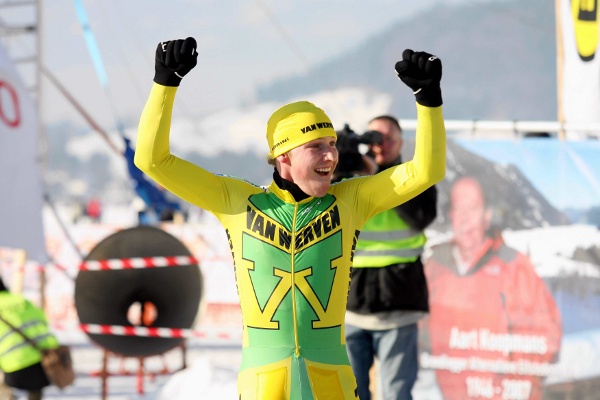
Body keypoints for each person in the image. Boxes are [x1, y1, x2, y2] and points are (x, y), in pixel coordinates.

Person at [135, 37, 446, 399]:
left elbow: (426, 170)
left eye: (332, 145)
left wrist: (428, 100)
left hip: (331, 383)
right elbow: (152, 161)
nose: (331, 156)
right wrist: (165, 84)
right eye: (316, 147)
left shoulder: (352, 201)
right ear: (282, 157)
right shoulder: (238, 202)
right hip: (264, 385)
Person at [422, 176, 562, 400]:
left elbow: (547, 337)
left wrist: (511, 385)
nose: (465, 219)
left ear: (487, 215)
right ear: (451, 215)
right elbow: (418, 332)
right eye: (459, 209)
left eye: (473, 208)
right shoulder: (435, 266)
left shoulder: (514, 266)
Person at [345, 115, 438, 400]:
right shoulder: (350, 176)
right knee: (349, 392)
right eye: (374, 138)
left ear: (401, 143)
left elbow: (421, 217)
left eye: (389, 139)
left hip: (399, 303)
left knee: (397, 393)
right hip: (351, 306)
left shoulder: (413, 176)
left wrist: (381, 176)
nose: (381, 145)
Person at [0, 278, 59, 400]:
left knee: (4, 388)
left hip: (15, 367)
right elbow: (43, 320)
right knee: (35, 388)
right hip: (44, 362)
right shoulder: (21, 299)